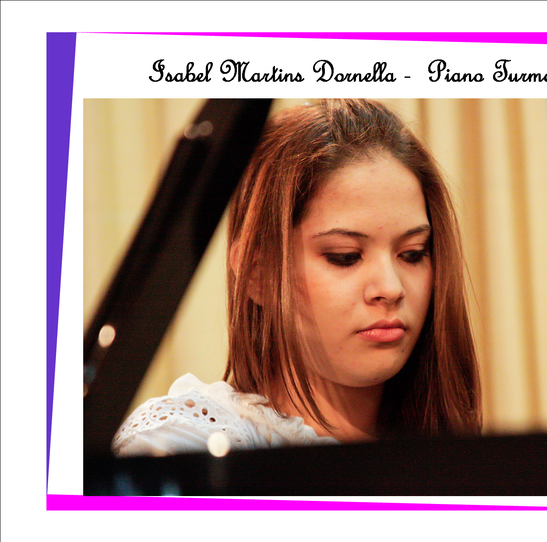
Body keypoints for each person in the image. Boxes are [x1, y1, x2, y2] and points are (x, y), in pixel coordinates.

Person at [112, 99, 481, 457]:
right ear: (257, 273)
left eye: (413, 254)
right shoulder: (186, 442)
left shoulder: (454, 451)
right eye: (345, 257)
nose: (391, 288)